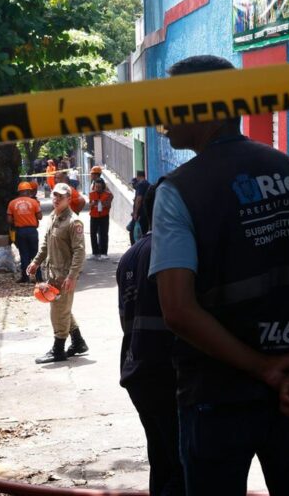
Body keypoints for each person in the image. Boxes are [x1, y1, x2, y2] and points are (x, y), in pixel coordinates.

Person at [150, 55, 289, 495]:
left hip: (217, 395)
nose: (162, 119)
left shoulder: (178, 190)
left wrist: (264, 369)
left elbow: (178, 310)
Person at [118, 183, 185, 495]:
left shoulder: (130, 256)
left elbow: (125, 320)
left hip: (137, 368)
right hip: (166, 371)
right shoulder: (173, 250)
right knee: (182, 466)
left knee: (161, 457)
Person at [27, 183, 89, 363]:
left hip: (64, 276)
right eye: (54, 196)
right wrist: (35, 262)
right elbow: (46, 245)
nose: (55, 199)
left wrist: (72, 276)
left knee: (58, 312)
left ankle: (58, 350)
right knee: (63, 309)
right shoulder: (53, 217)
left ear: (69, 199)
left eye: (60, 197)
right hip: (52, 273)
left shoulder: (73, 222)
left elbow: (79, 251)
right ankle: (78, 342)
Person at [8, 181, 43, 284]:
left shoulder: (12, 203)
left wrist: (18, 220)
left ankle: (25, 277)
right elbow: (40, 216)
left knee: (24, 254)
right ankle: (38, 277)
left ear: (19, 192)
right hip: (32, 231)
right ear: (28, 191)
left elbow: (9, 220)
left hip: (20, 231)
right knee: (35, 254)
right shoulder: (34, 202)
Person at [89, 177, 113, 261]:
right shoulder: (92, 194)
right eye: (96, 187)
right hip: (94, 216)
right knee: (93, 234)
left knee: (103, 234)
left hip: (104, 216)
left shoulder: (108, 194)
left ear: (103, 187)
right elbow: (90, 205)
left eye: (99, 187)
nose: (97, 189)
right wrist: (93, 203)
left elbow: (109, 205)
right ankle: (95, 253)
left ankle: (104, 253)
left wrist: (102, 203)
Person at [129, 170, 150, 244]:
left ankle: (135, 251)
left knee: (133, 233)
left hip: (140, 214)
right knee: (144, 233)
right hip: (146, 213)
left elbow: (139, 199)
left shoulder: (141, 184)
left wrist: (135, 213)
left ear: (138, 177)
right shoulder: (147, 184)